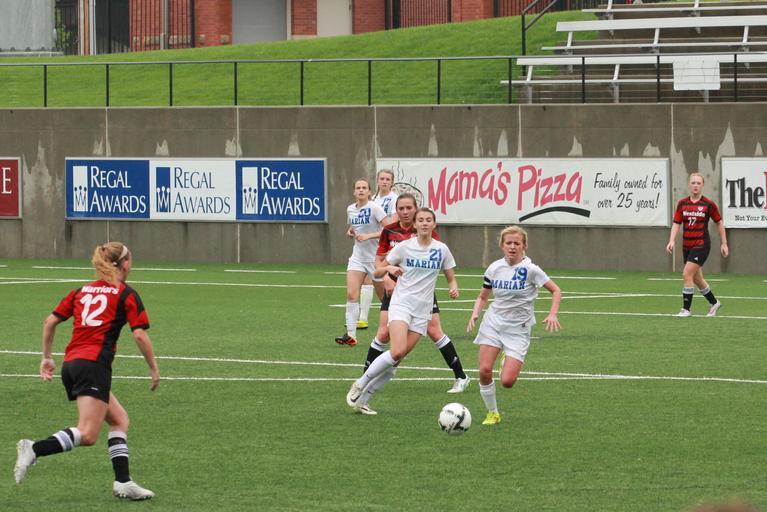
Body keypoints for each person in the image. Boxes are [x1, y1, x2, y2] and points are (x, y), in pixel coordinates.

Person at [14, 242, 160, 500]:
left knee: (119, 420)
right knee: (89, 433)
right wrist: (153, 367)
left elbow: (49, 322)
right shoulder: (125, 293)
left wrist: (46, 358)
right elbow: (139, 335)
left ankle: (123, 482)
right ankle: (34, 448)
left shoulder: (81, 291)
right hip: (93, 366)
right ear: (124, 264)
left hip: (72, 365)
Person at [346, 207, 459, 415]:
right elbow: (377, 271)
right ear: (415, 225)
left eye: (428, 220)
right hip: (401, 304)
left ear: (434, 224)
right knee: (396, 350)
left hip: (423, 311)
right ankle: (360, 383)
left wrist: (453, 287)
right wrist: (388, 269)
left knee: (396, 361)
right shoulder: (404, 247)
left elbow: (450, 276)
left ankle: (364, 401)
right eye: (421, 220)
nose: (424, 223)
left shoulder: (442, 249)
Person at [361, 193, 470, 399]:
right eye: (401, 208)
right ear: (396, 210)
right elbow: (379, 261)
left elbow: (436, 262)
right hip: (396, 291)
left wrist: (452, 284)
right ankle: (365, 377)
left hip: (421, 293)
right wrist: (386, 276)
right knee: (383, 333)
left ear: (416, 209)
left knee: (435, 331)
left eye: (409, 208)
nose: (405, 212)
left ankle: (460, 376)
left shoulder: (427, 233)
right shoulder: (389, 230)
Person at [466, 226, 561, 426]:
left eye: (516, 243)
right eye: (508, 243)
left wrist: (552, 314)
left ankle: (507, 356)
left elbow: (556, 290)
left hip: (518, 329)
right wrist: (475, 313)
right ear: (501, 245)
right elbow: (483, 296)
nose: (512, 246)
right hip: (493, 323)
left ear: (524, 246)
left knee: (507, 382)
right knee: (484, 370)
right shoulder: (494, 268)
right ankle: (492, 413)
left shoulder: (531, 270)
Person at [335, 178, 390, 346]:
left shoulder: (374, 208)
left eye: (364, 188)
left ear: (369, 192)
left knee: (384, 297)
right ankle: (351, 335)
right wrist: (351, 231)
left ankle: (397, 325)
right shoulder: (350, 209)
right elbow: (354, 226)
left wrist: (369, 236)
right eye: (358, 188)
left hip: (376, 258)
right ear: (354, 192)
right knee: (351, 295)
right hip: (357, 258)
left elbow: (388, 229)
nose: (361, 190)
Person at [666, 171, 729, 317]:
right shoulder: (682, 204)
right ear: (689, 185)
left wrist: (724, 243)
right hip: (687, 245)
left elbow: (719, 223)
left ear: (702, 185)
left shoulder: (708, 204)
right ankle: (714, 303)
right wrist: (671, 240)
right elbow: (676, 223)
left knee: (687, 274)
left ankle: (686, 309)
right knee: (696, 278)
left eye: (698, 183)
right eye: (693, 183)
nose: (695, 185)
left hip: (701, 245)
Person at [357, 169, 399, 331]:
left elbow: (391, 227)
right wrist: (353, 229)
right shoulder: (373, 198)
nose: (384, 181)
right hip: (372, 247)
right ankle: (365, 319)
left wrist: (369, 235)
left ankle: (393, 316)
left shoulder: (394, 199)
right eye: (382, 178)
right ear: (377, 180)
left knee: (380, 285)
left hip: (388, 246)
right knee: (374, 283)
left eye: (388, 179)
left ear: (392, 182)